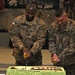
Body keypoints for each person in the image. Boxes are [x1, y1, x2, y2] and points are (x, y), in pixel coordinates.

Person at [48, 8, 75, 75]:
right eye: (57, 21)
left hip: (71, 63)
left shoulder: (73, 26)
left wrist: (59, 57)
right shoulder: (53, 26)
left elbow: (72, 46)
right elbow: (51, 41)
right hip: (57, 63)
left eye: (61, 20)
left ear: (66, 15)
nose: (60, 23)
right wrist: (53, 53)